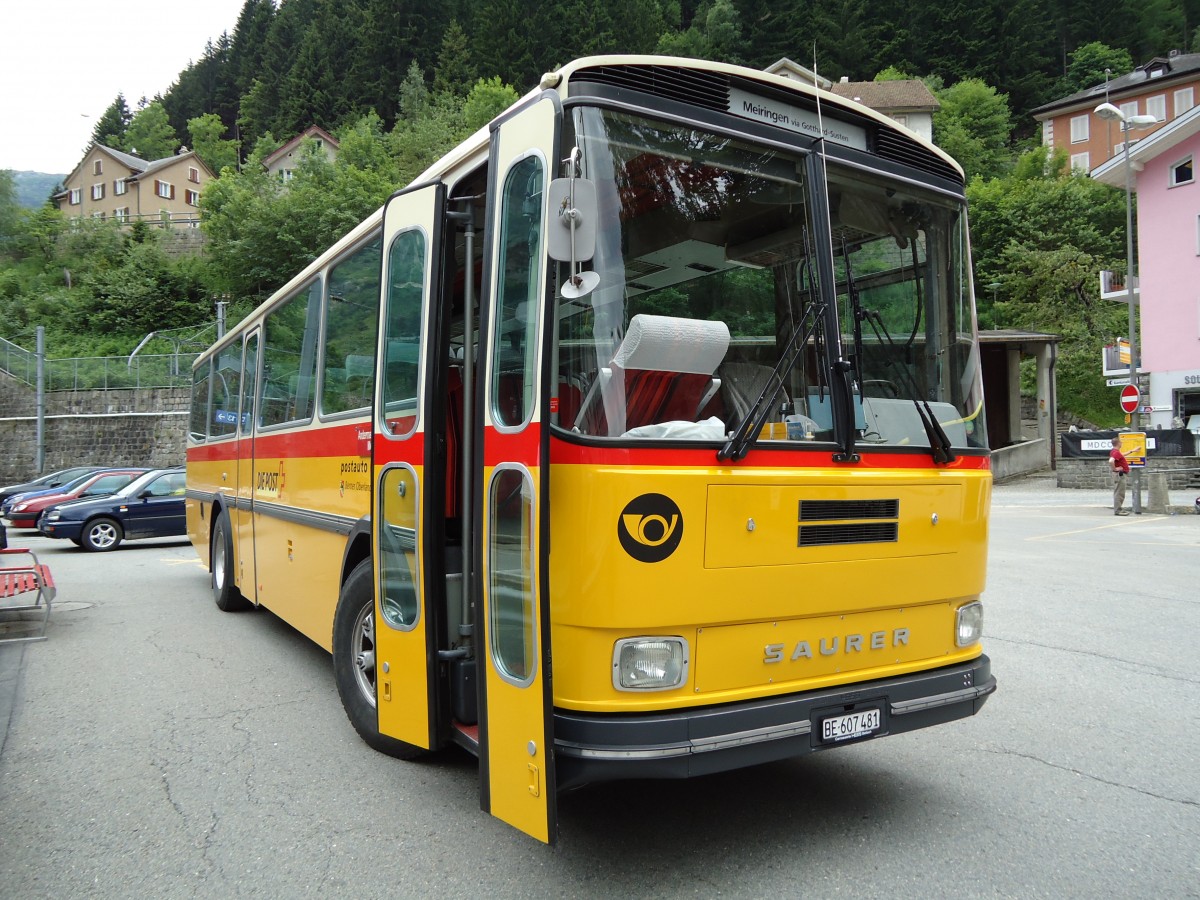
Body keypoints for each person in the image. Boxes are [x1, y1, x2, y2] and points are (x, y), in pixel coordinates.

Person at [1109, 435, 1131, 515]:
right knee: (1119, 493)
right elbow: (1111, 461)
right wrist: (1115, 469)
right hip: (1120, 475)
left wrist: (1132, 451)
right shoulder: (1115, 452)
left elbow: (1121, 455)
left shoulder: (1115, 452)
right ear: (1118, 443)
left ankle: (1118, 509)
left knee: (1118, 492)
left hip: (1119, 474)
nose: (1121, 443)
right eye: (1121, 442)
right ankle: (1118, 510)